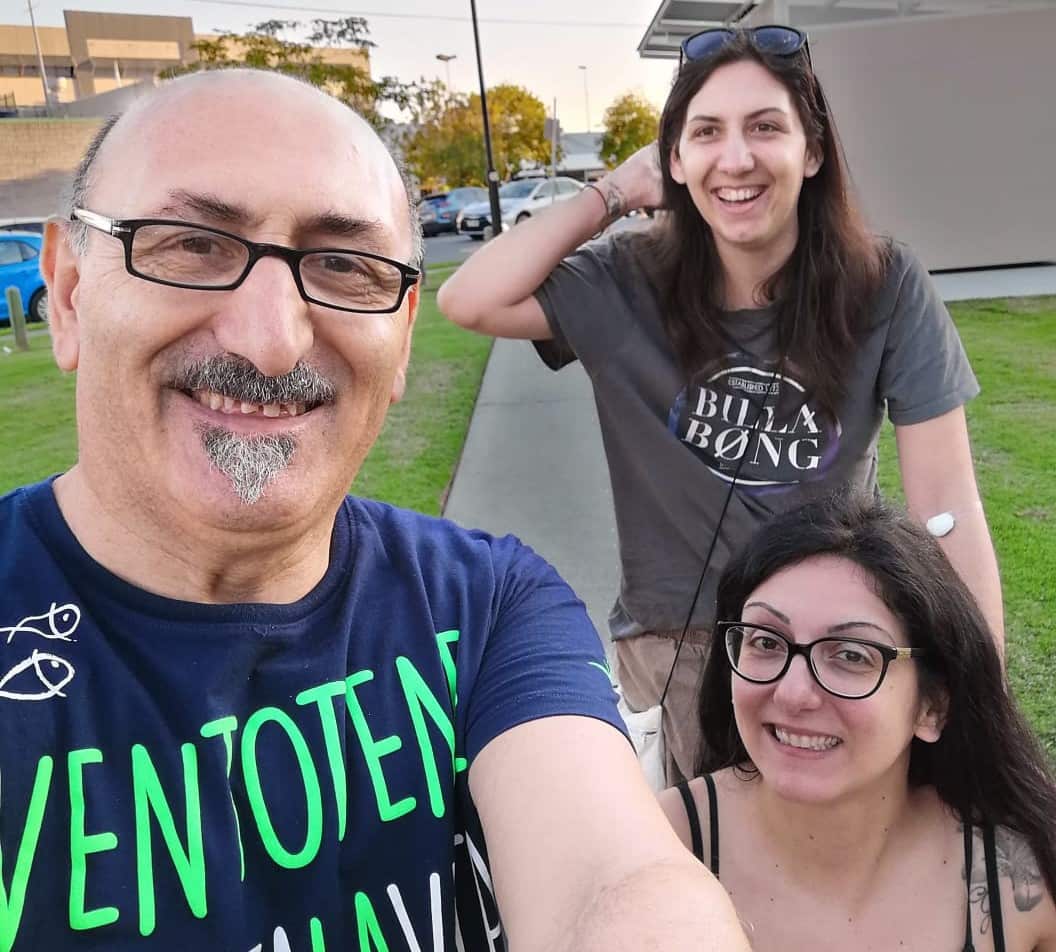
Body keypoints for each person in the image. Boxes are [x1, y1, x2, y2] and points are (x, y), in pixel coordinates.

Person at [0, 68, 751, 951]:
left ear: (399, 340)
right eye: (190, 245)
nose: (272, 339)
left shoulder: (485, 608)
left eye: (344, 267)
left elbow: (618, 883)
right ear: (71, 293)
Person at [437, 26, 1003, 785]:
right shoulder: (625, 281)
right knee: (704, 876)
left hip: (831, 638)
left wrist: (978, 692)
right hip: (676, 640)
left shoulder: (885, 284)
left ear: (813, 150)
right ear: (674, 160)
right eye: (705, 132)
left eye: (766, 126)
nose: (735, 158)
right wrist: (611, 192)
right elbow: (468, 298)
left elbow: (947, 507)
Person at [658, 494, 1056, 951]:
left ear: (933, 706)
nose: (791, 693)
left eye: (850, 655)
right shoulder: (656, 846)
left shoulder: (1024, 877)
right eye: (766, 642)